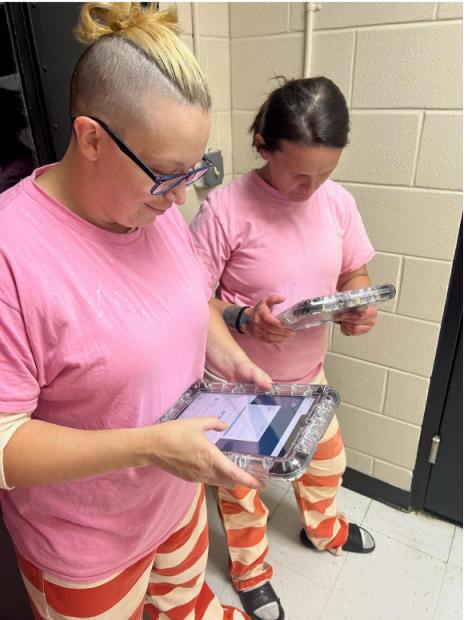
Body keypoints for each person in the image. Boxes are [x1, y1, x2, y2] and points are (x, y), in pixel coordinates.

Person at [0, 3, 272, 618]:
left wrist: (230, 358)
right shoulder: (12, 253)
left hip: (175, 506)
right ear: (91, 136)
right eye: (166, 174)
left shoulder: (156, 210)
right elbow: (4, 440)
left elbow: (188, 299)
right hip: (87, 549)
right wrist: (148, 446)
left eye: (193, 171)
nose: (182, 196)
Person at [189, 76, 378, 620]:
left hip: (309, 375)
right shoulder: (225, 209)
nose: (311, 187)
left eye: (325, 172)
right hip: (240, 385)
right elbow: (188, 302)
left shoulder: (337, 203)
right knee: (243, 489)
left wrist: (355, 305)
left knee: (327, 464)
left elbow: (353, 270)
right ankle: (250, 573)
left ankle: (325, 529)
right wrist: (243, 317)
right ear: (264, 146)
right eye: (299, 173)